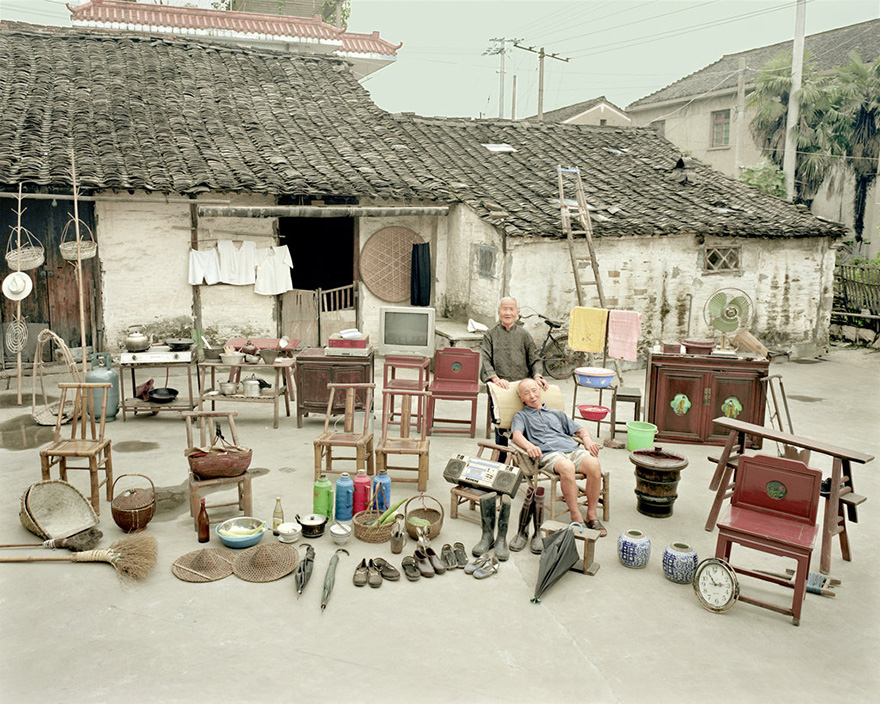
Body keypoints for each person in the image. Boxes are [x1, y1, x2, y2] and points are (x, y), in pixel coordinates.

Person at [510, 378, 607, 536]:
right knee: (567, 467)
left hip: (571, 449)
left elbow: (581, 430)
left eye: (534, 390)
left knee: (594, 464)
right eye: (526, 393)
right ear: (522, 398)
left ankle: (592, 515)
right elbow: (516, 435)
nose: (532, 396)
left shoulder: (557, 414)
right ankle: (575, 515)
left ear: (539, 391)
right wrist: (529, 446)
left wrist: (587, 439)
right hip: (549, 454)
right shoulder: (521, 416)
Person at [481, 297, 548, 451]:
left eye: (512, 309)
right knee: (502, 428)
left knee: (525, 427)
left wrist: (537, 376)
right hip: (501, 388)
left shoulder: (524, 335)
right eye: (504, 309)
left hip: (522, 390)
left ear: (517, 312)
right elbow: (485, 359)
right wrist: (495, 379)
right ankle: (502, 460)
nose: (508, 313)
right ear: (499, 312)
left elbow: (534, 359)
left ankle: (525, 459)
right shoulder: (490, 335)